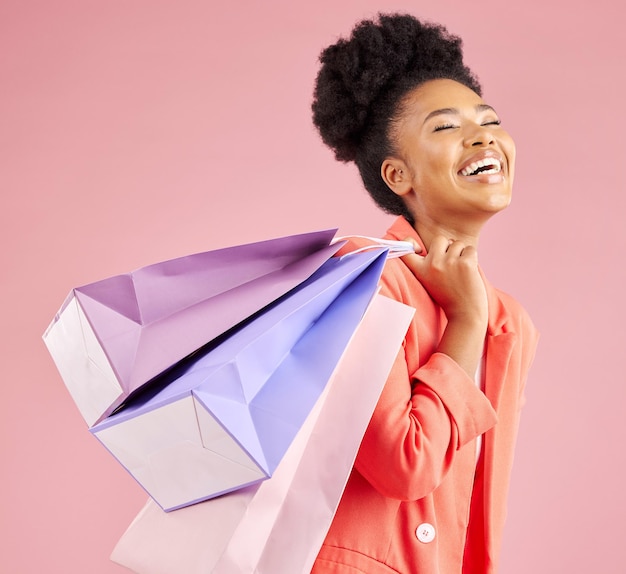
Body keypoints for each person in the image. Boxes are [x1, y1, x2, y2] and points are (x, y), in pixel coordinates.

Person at [310, 13, 539, 574]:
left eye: (490, 121)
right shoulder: (364, 279)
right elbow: (406, 466)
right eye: (445, 127)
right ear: (397, 176)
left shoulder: (509, 322)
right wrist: (462, 321)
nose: (483, 136)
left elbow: (474, 501)